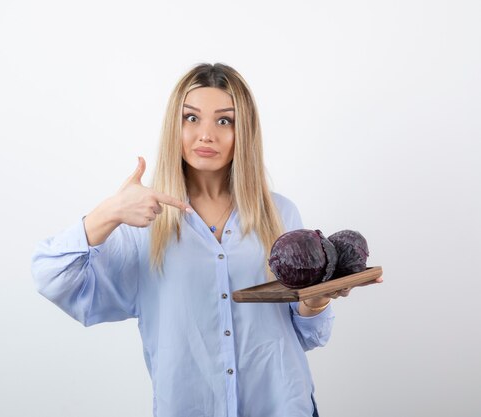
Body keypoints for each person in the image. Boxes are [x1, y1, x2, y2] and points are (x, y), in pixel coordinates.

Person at [31, 63, 382, 417]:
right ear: (175, 127)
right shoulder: (142, 225)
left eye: (224, 120)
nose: (206, 135)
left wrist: (317, 301)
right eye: (192, 118)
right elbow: (51, 276)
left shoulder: (280, 214)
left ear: (243, 131)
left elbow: (308, 336)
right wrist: (109, 213)